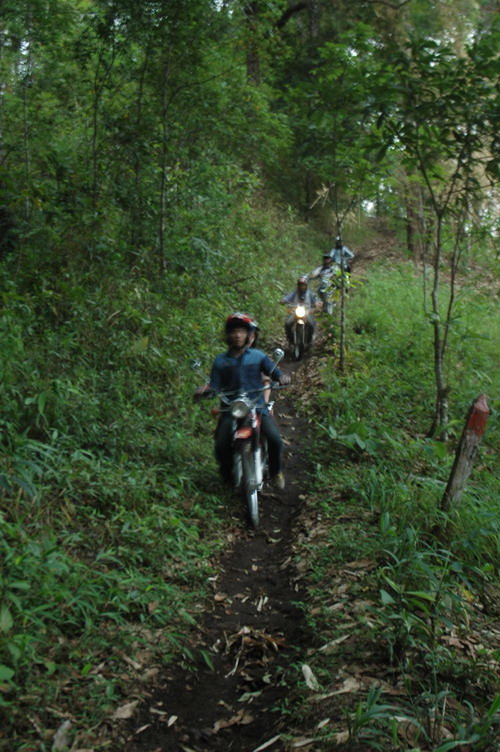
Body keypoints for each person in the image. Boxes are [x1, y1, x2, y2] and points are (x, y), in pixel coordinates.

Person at [194, 312, 291, 489]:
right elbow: (215, 384)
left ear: (248, 335)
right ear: (228, 335)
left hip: (257, 406)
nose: (238, 335)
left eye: (242, 331)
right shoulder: (220, 361)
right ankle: (226, 476)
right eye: (234, 331)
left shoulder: (258, 356)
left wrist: (281, 377)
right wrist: (205, 390)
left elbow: (273, 372)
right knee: (221, 445)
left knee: (275, 439)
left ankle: (276, 471)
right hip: (231, 408)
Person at [280, 275, 319, 344]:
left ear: (306, 286)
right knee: (287, 324)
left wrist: (316, 304)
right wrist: (283, 300)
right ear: (298, 285)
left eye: (303, 285)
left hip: (307, 312)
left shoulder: (310, 294)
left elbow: (315, 301)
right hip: (295, 312)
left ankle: (309, 340)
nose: (302, 287)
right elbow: (287, 298)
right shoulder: (294, 293)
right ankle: (290, 340)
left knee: (311, 324)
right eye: (300, 285)